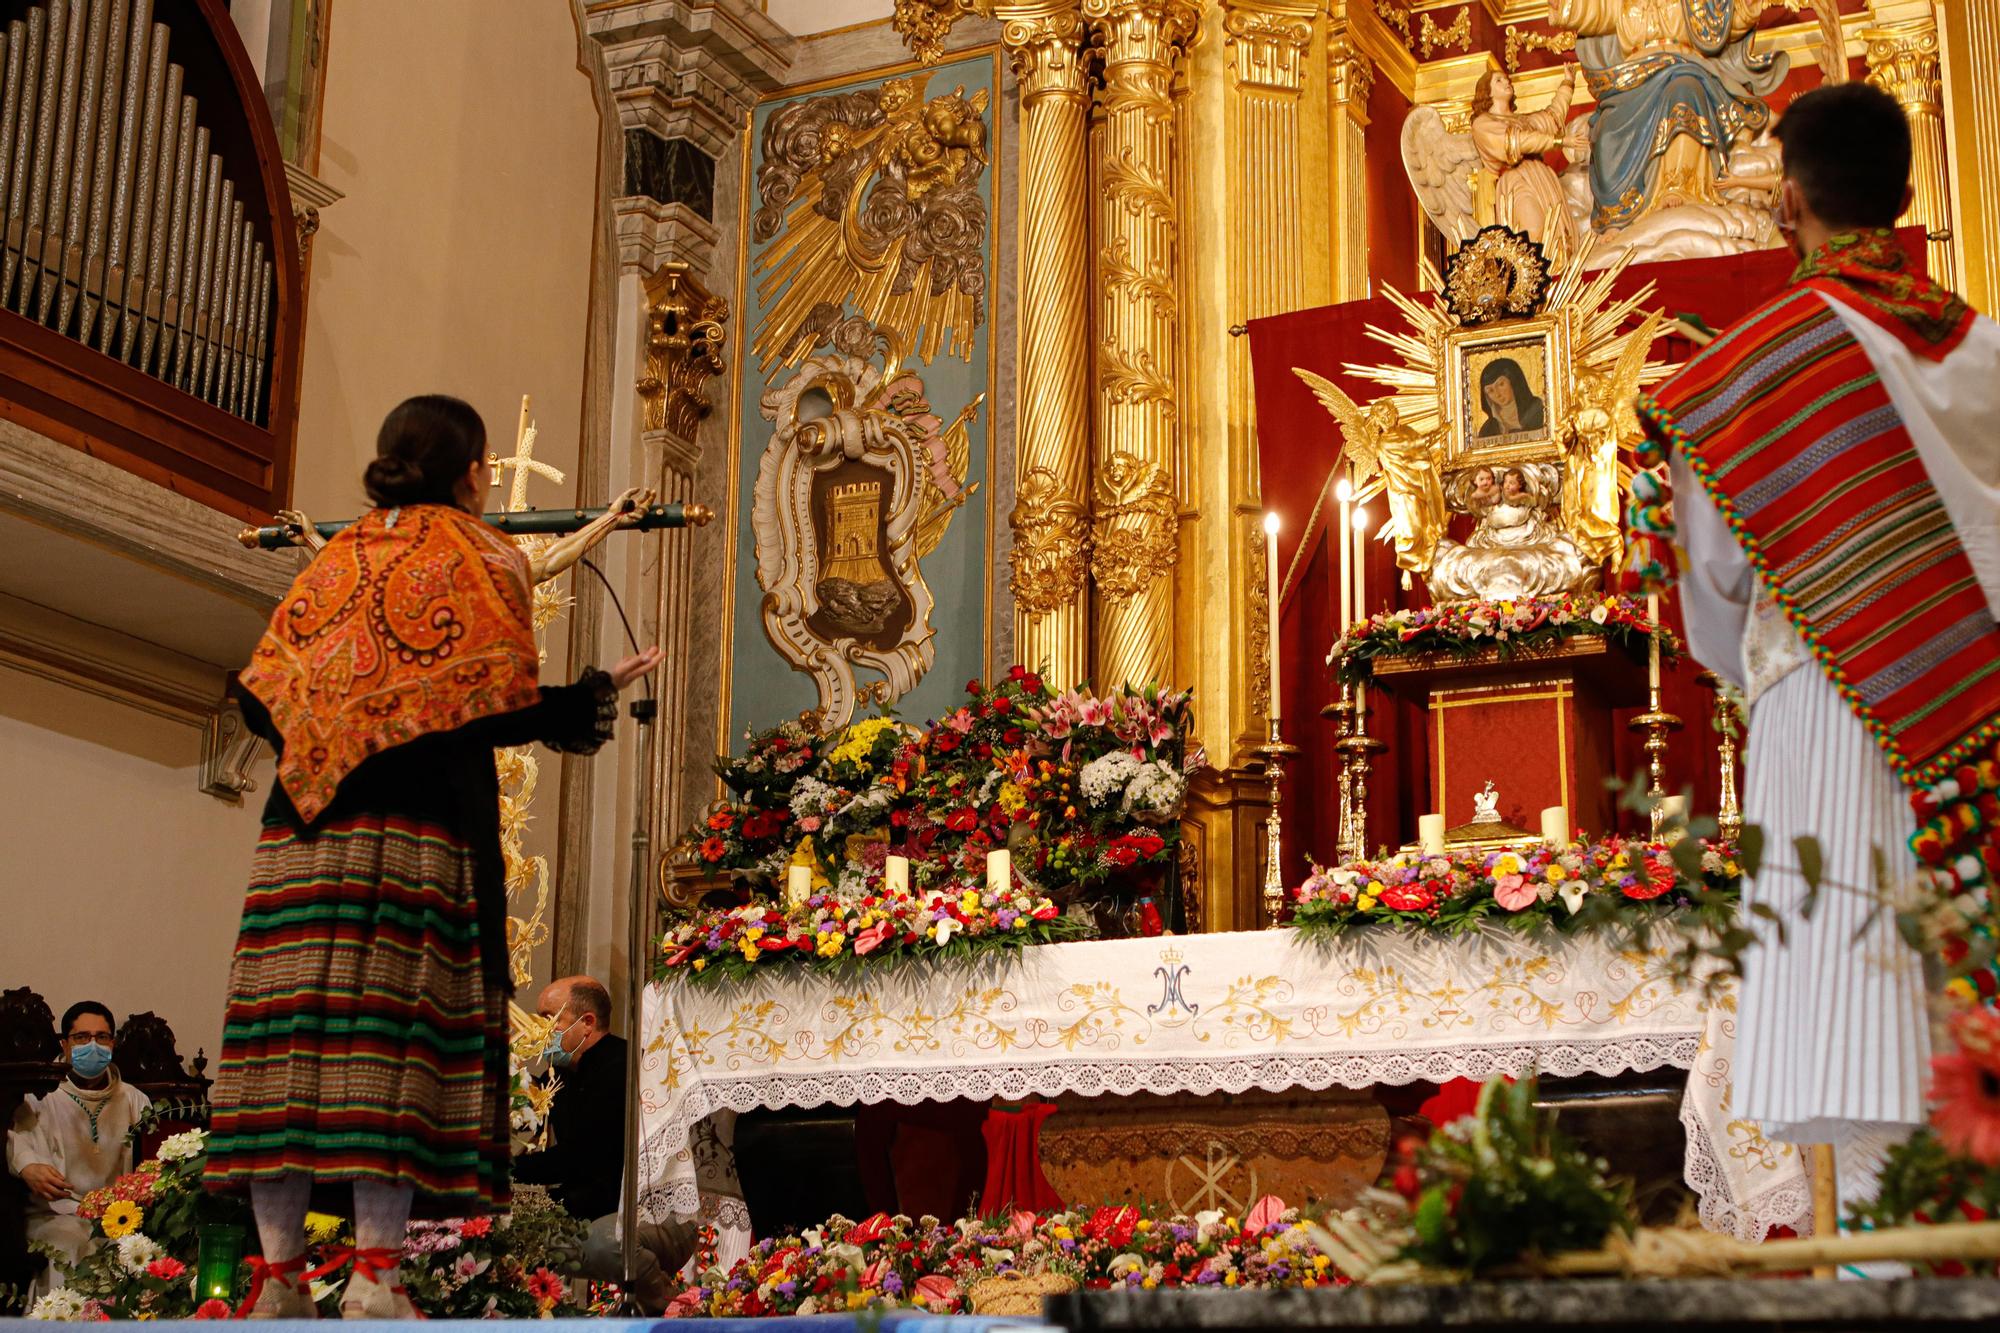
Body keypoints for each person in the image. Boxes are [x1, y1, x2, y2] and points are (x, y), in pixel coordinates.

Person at [200, 395, 664, 1319]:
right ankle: (375, 1279)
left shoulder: (336, 560)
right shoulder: (479, 556)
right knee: (391, 1059)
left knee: (288, 1059)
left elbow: (259, 699)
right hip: (414, 841)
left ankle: (278, 1281)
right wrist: (588, 692)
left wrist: (347, 718)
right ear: (467, 468)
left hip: (300, 839)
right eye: (485, 464)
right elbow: (490, 706)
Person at [1629, 83, 2000, 1226]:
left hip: (1830, 710)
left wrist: (1761, 669)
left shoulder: (1748, 373)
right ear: (1898, 192)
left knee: (1863, 1057)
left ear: (1786, 198)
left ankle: (1888, 1274)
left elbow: (1710, 596)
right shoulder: (1985, 348)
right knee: (1965, 1035)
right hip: (1981, 729)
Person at [513, 976, 692, 1314]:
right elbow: (530, 1117)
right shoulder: (561, 1075)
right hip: (599, 1206)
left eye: (549, 1018)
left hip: (655, 1212)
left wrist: (506, 1170)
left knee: (604, 1243)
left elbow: (582, 1158)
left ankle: (674, 1310)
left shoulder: (624, 1067)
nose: (539, 1030)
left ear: (587, 1023)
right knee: (518, 1237)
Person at [7, 1003, 151, 1294]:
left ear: (113, 1043)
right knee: (69, 1242)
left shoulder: (135, 1100)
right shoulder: (40, 1094)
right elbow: (14, 1138)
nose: (93, 1046)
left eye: (102, 1037)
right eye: (82, 1037)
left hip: (116, 1216)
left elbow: (153, 1158)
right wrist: (28, 1166)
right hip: (54, 1215)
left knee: (132, 1249)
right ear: (65, 1043)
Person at [1470, 65, 1580, 268]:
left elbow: (1552, 117)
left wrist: (1567, 83)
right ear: (1487, 92)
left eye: (1507, 79)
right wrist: (1558, 142)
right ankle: (1532, 284)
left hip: (1542, 177)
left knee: (1558, 235)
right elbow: (1514, 142)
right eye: (1499, 80)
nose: (1507, 82)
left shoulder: (1524, 120)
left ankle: (1558, 280)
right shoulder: (1483, 123)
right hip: (1516, 179)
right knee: (1534, 230)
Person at [1475, 358, 1547, 439]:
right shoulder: (1488, 429)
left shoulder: (1538, 412)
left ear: (1513, 381)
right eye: (1490, 391)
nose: (1497, 394)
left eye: (1501, 384)